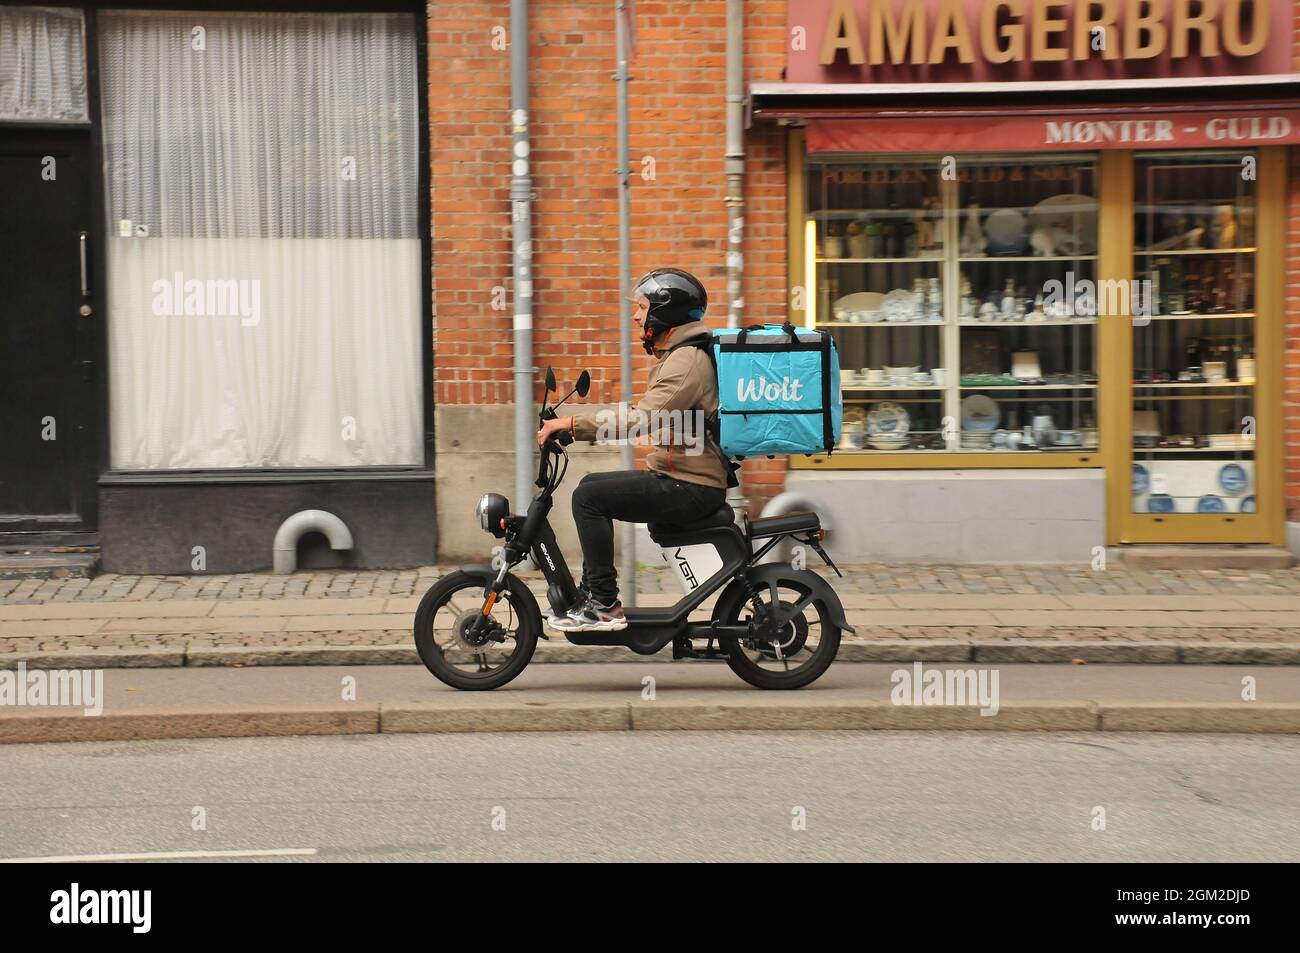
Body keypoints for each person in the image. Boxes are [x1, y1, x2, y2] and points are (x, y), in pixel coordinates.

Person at [535, 268, 733, 632]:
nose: (636, 315)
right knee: (591, 485)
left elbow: (642, 418)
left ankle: (604, 604)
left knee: (589, 498)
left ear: (664, 313)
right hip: (679, 476)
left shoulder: (686, 362)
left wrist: (573, 425)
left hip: (690, 485)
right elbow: (646, 410)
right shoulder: (679, 356)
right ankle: (593, 594)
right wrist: (580, 423)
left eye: (642, 308)